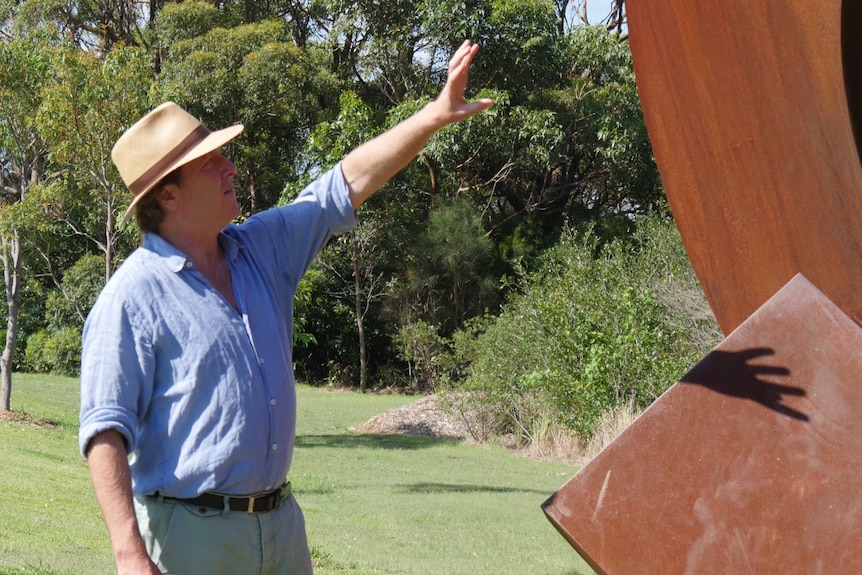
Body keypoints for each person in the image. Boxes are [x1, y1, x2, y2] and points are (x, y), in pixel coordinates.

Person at [79, 40, 493, 575]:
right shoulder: (131, 297)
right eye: (211, 163)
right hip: (190, 541)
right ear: (168, 197)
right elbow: (104, 429)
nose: (230, 168)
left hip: (280, 529)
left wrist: (433, 117)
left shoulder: (259, 248)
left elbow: (340, 187)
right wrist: (129, 554)